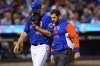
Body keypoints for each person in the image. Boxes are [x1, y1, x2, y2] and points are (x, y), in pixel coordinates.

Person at [13, 1, 53, 66]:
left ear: (40, 9)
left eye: (35, 10)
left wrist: (37, 28)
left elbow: (50, 33)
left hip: (43, 46)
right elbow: (24, 32)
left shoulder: (47, 18)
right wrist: (18, 43)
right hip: (33, 47)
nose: (33, 12)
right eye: (33, 10)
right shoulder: (31, 18)